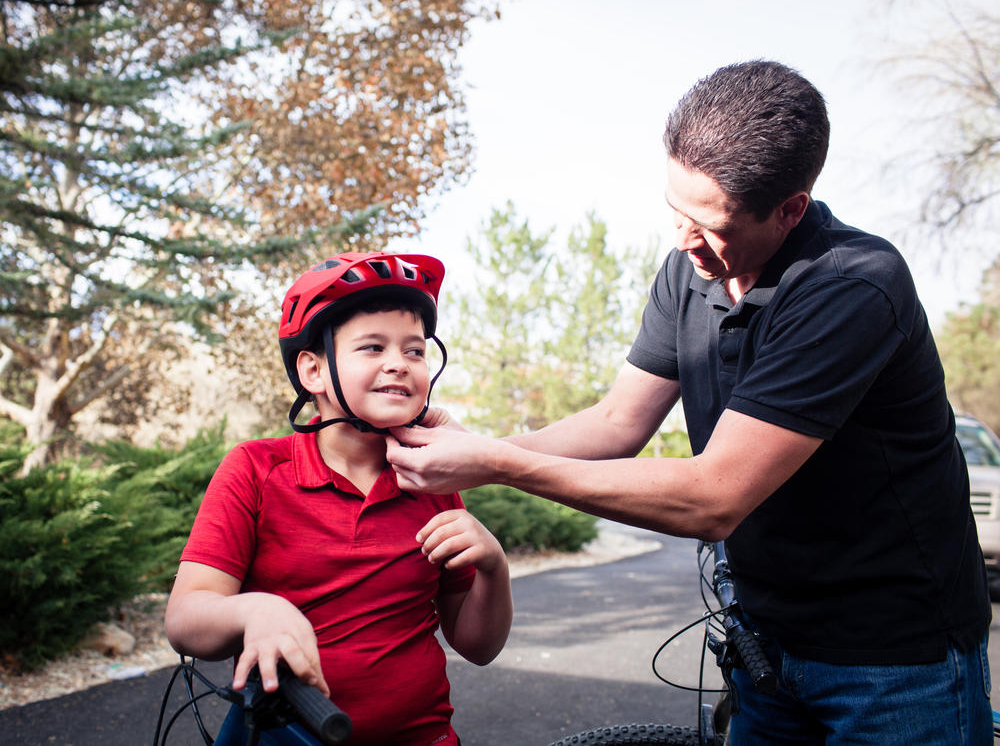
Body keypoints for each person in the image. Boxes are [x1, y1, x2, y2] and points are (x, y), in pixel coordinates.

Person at [385, 61, 993, 744]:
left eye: (709, 222)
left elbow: (713, 496)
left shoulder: (850, 286)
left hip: (889, 661)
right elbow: (617, 422)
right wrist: (472, 447)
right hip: (766, 646)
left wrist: (497, 464)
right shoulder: (690, 269)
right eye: (675, 210)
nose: (683, 239)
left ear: (790, 209)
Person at [165, 251, 513, 746]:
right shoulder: (256, 470)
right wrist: (256, 611)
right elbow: (184, 620)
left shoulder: (433, 478)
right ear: (313, 371)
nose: (399, 363)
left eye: (415, 351)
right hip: (288, 737)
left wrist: (494, 568)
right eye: (372, 347)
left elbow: (477, 646)